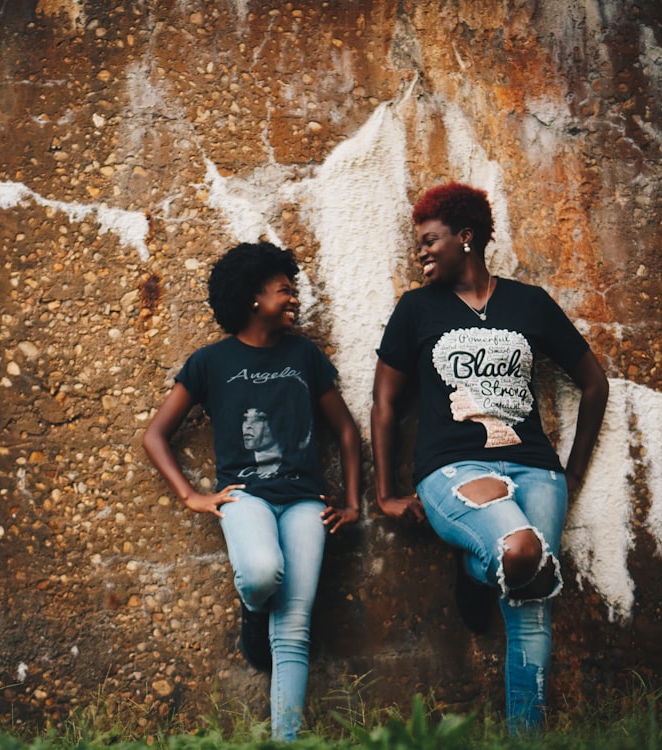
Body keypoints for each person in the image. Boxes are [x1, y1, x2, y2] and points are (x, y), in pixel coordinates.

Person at [370, 182, 609, 733]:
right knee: (521, 550)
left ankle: (526, 736)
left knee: (531, 608)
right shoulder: (416, 309)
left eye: (431, 240)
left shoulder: (529, 304)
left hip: (536, 469)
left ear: (467, 237)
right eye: (418, 244)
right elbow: (385, 402)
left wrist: (570, 472)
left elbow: (593, 384)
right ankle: (483, 568)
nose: (421, 252)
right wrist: (386, 492)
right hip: (455, 468)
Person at [143, 241, 361, 741]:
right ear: (252, 297)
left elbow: (346, 432)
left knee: (295, 627)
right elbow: (155, 436)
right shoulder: (209, 362)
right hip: (246, 496)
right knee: (262, 574)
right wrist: (191, 495)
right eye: (285, 290)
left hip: (306, 500)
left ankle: (287, 740)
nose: (293, 299)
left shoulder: (305, 355)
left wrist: (350, 502)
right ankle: (253, 606)